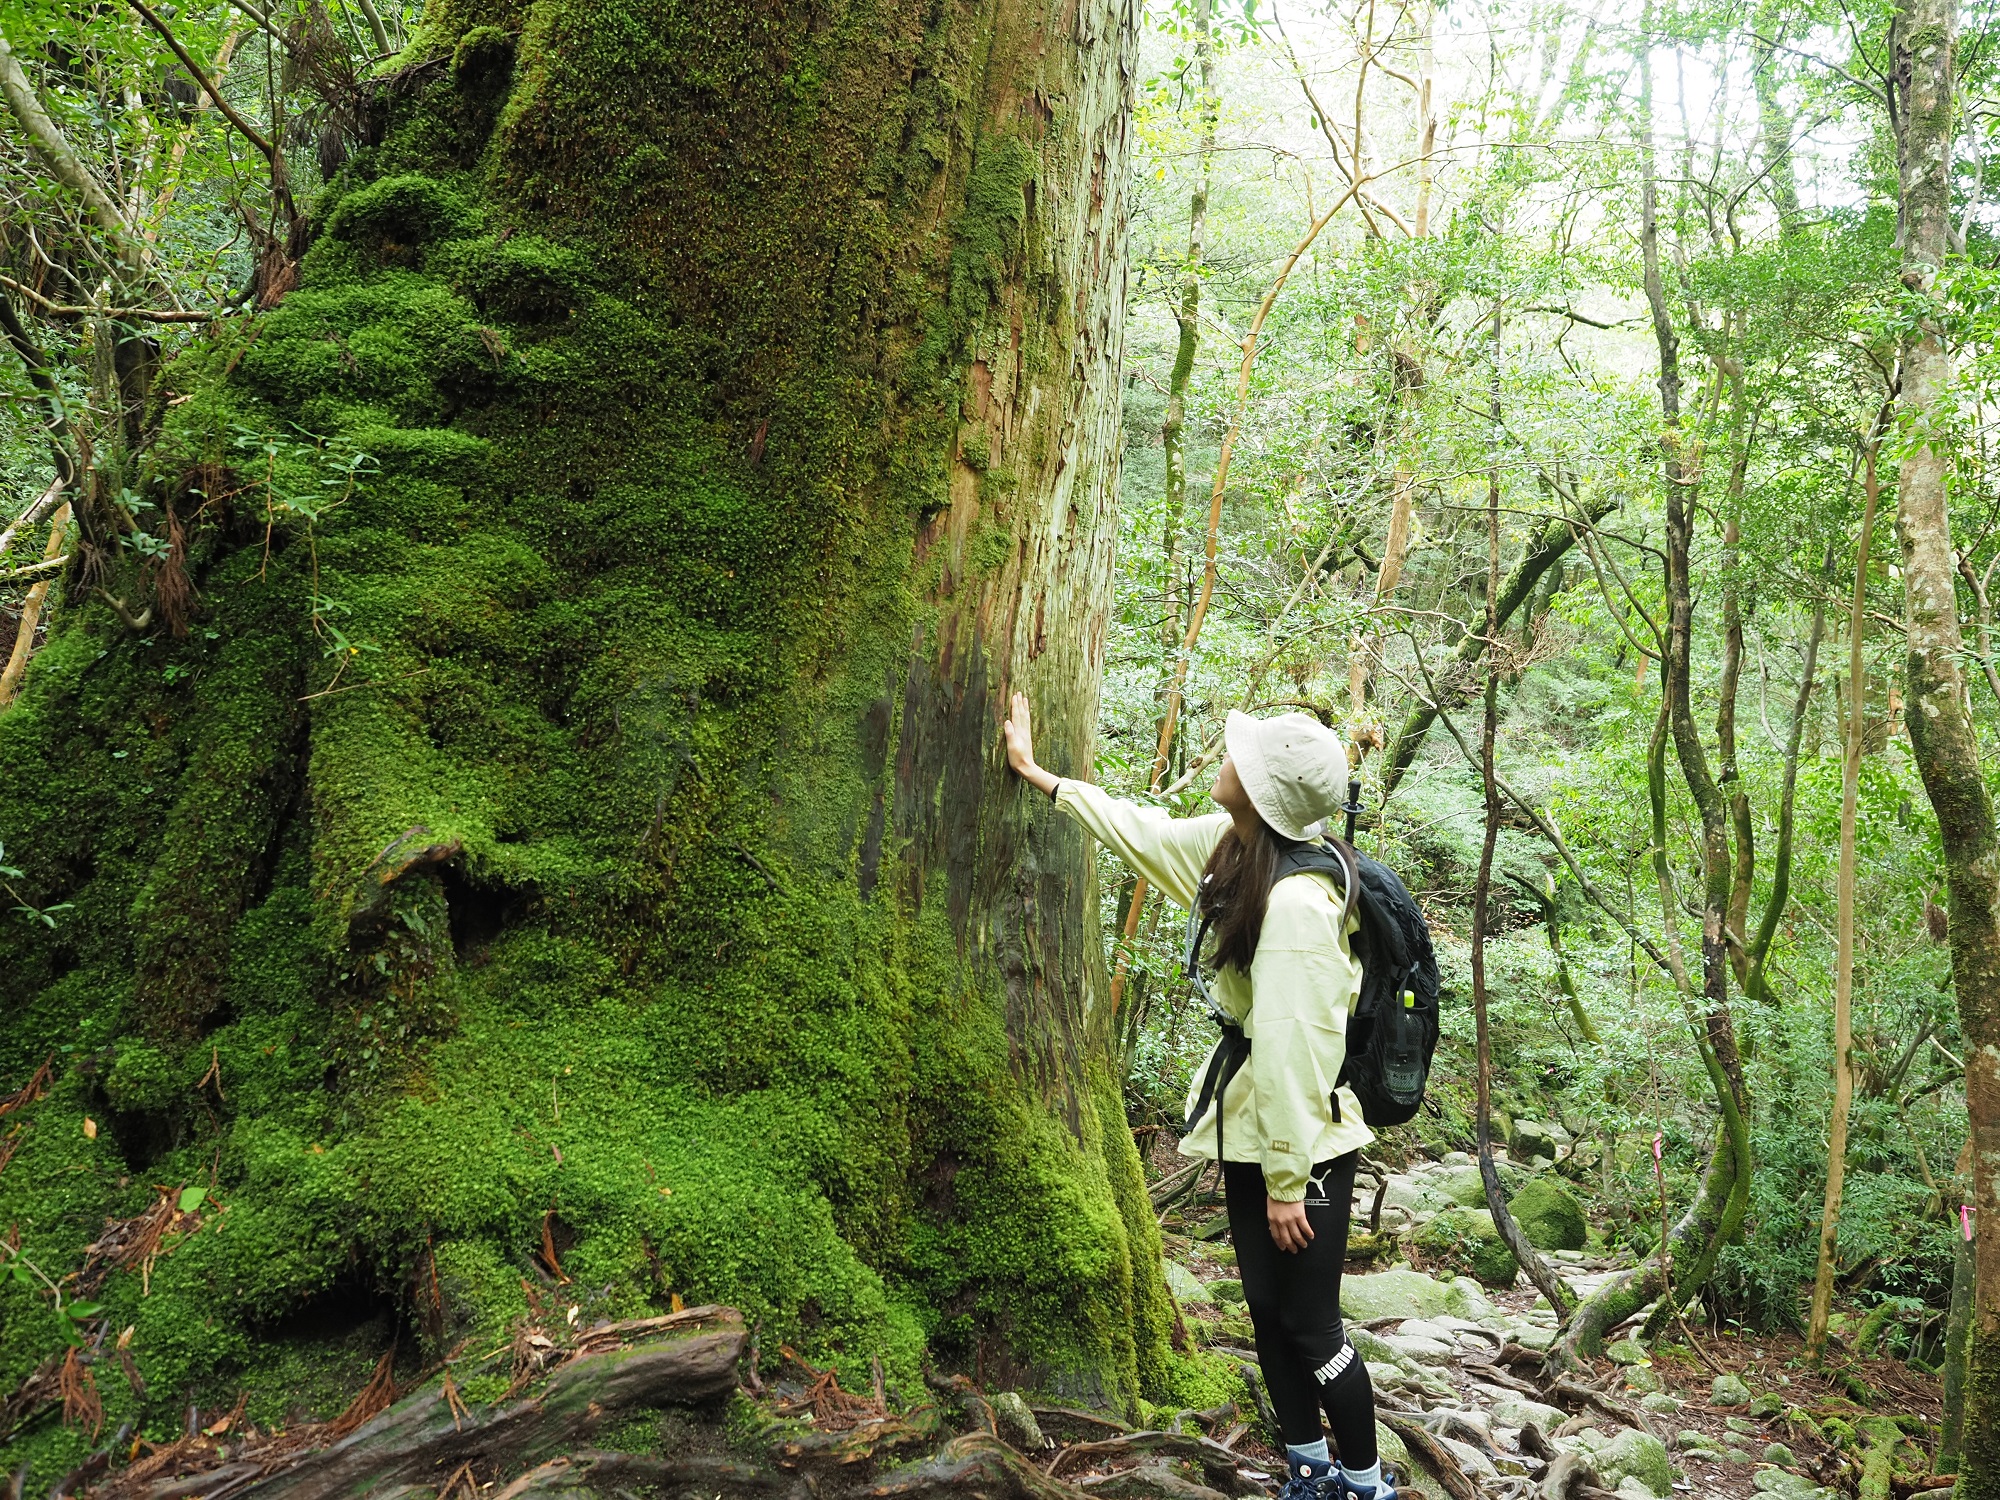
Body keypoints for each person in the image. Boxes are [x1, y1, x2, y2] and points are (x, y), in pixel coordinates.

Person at [1002, 694, 1392, 1500]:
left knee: (1313, 1328)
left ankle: (1366, 1485)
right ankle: (1308, 1472)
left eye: (1244, 757)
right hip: (1253, 1125)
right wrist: (1045, 779)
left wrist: (1288, 1183)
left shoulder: (1297, 905)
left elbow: (1296, 1052)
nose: (1228, 757)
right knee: (1265, 1313)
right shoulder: (1236, 852)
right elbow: (1143, 833)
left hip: (1307, 1145)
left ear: (1264, 791)